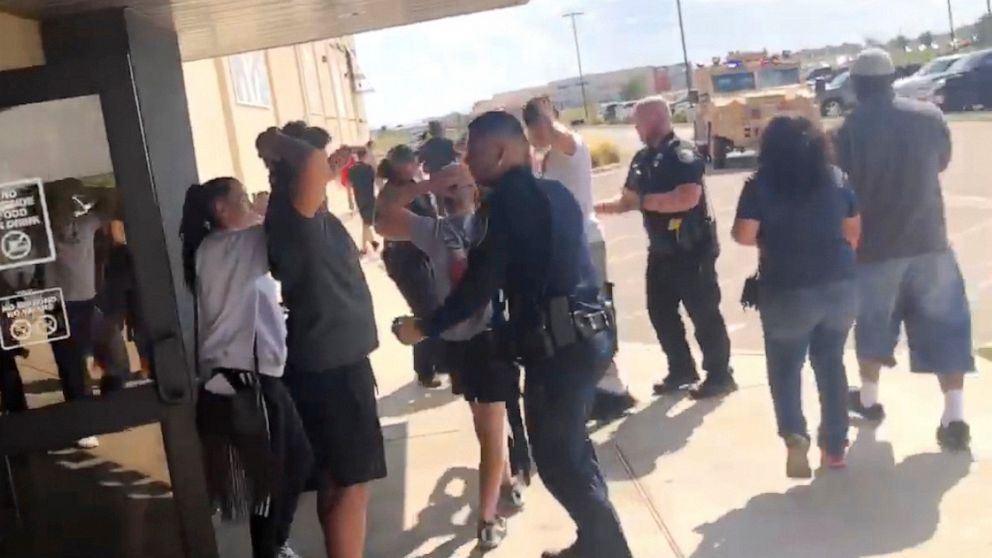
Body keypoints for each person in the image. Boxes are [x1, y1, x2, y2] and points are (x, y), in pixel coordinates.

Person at [394, 111, 632, 558]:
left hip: (559, 348)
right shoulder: (554, 192)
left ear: (501, 153)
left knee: (560, 462)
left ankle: (610, 551)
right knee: (573, 451)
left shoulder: (504, 206)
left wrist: (424, 327)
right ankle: (595, 544)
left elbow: (479, 284)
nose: (466, 158)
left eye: (473, 149)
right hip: (590, 337)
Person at [375, 170, 527, 550]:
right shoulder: (435, 231)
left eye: (461, 183)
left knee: (491, 429)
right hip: (458, 341)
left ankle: (488, 518)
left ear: (477, 190)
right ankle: (506, 481)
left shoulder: (490, 226)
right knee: (483, 424)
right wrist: (426, 185)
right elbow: (381, 216)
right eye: (449, 186)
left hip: (492, 339)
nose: (453, 190)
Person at [835, 48, 975, 452]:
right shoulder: (929, 117)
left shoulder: (847, 130)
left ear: (858, 87)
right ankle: (954, 415)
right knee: (947, 325)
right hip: (930, 241)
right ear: (891, 79)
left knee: (874, 327)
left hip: (874, 248)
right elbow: (941, 162)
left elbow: (841, 186)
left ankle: (870, 400)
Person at [257, 123, 387, 558]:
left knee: (336, 479)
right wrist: (273, 140)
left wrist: (327, 162)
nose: (325, 164)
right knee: (351, 484)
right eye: (317, 159)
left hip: (330, 362)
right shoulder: (296, 213)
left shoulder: (304, 212)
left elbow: (314, 166)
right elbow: (308, 165)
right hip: (333, 367)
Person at [180, 177, 312, 558]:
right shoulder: (232, 246)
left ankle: (277, 542)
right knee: (268, 483)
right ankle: (269, 550)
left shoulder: (216, 246)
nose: (250, 202)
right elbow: (283, 229)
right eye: (241, 198)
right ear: (221, 209)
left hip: (257, 376)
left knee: (298, 460)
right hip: (246, 379)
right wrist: (274, 203)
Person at [732, 116, 862, 477]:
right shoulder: (836, 178)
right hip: (839, 285)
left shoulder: (760, 185)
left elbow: (744, 234)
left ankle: (794, 435)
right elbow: (853, 231)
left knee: (786, 369)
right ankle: (835, 447)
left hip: (786, 288)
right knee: (831, 363)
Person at [595, 96, 737, 400]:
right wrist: (590, 209)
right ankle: (681, 369)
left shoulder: (682, 154)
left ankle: (720, 374)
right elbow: (626, 200)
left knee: (703, 313)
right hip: (661, 250)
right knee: (660, 311)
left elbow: (686, 197)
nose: (634, 127)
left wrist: (645, 202)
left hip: (692, 248)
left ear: (655, 119)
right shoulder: (642, 159)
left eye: (638, 121)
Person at [524, 95, 636, 422]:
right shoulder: (548, 159)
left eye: (538, 124)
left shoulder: (572, 147)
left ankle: (613, 391)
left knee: (593, 316)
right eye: (531, 126)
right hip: (568, 247)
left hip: (584, 243)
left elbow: (560, 135)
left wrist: (545, 116)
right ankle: (604, 389)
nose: (535, 132)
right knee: (580, 319)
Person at [378, 145, 444, 388]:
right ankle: (426, 370)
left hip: (419, 256)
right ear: (402, 165)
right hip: (406, 260)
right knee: (426, 311)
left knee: (432, 307)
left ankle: (437, 362)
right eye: (412, 163)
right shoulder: (394, 192)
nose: (416, 166)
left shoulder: (411, 187)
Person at [348, 147, 381, 255]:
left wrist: (350, 201)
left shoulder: (352, 170)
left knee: (366, 222)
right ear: (365, 156)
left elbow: (349, 186)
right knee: (367, 223)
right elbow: (375, 182)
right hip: (370, 197)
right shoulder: (369, 168)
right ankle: (368, 245)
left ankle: (369, 245)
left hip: (359, 198)